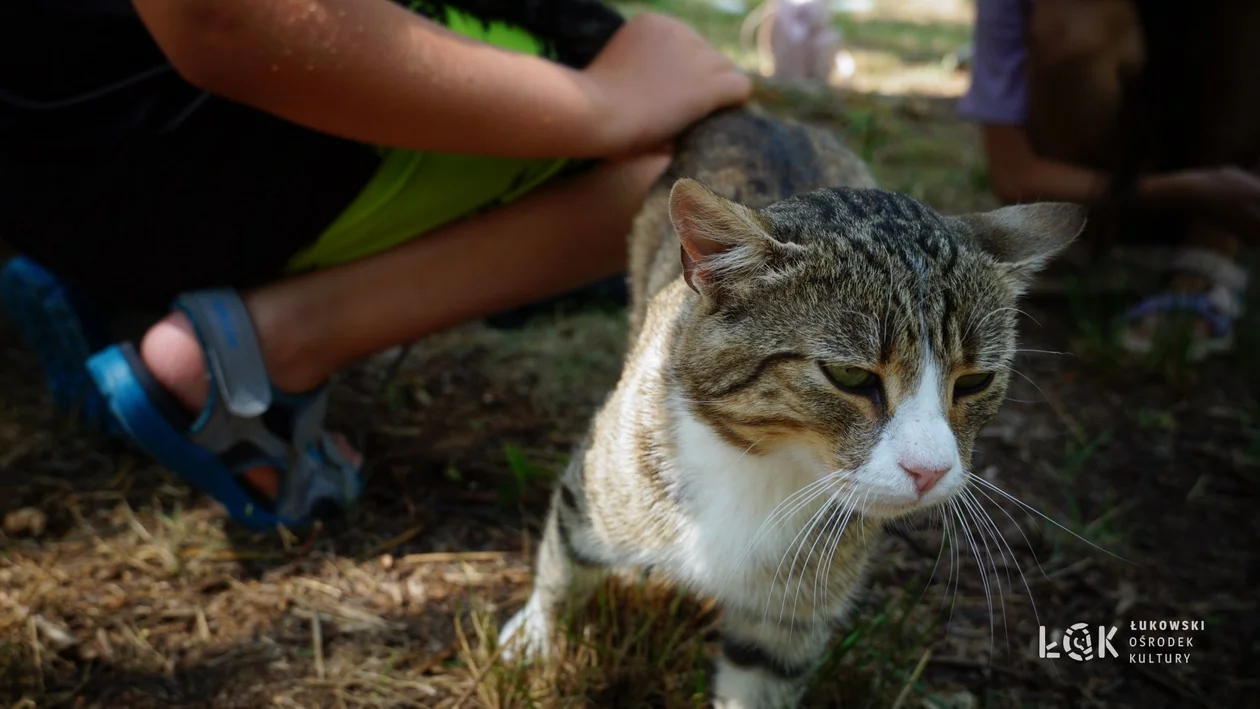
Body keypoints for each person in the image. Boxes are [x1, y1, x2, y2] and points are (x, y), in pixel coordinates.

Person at [0, 0, 752, 531]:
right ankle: (254, 357)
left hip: (60, 119)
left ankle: (127, 282)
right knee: (693, 149)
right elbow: (222, 16)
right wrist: (601, 104)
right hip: (124, 135)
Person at [958, 0, 1260, 359]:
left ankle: (1208, 253)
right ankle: (1098, 240)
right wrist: (1181, 191)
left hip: (1230, 171)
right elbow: (1014, 173)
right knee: (1072, 25)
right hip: (1117, 180)